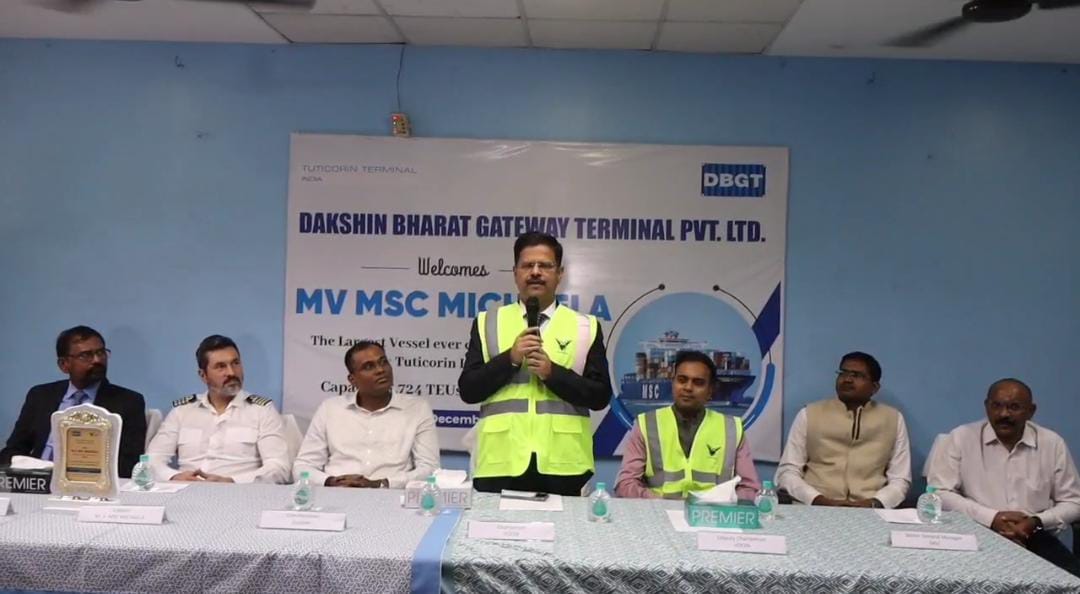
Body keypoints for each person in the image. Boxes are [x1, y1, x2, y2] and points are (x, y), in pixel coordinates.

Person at [458, 232, 612, 496]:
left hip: (564, 465)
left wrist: (553, 374)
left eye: (545, 265)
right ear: (515, 272)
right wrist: (510, 359)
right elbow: (468, 390)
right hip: (500, 463)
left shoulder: (585, 326)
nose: (536, 272)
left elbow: (600, 396)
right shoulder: (487, 322)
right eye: (528, 265)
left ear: (560, 273)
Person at [928, 378, 1080, 576]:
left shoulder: (1052, 443)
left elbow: (1073, 502)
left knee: (1072, 580)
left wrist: (1036, 521)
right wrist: (992, 518)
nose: (1003, 414)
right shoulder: (961, 437)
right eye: (996, 406)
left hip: (1034, 534)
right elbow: (939, 492)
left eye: (1014, 407)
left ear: (1031, 411)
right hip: (976, 532)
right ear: (986, 406)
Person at [0, 325, 146, 478]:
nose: (97, 360)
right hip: (37, 481)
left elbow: (129, 463)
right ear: (64, 364)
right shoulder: (40, 396)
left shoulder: (128, 402)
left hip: (90, 483)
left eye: (101, 353)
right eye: (86, 355)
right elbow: (15, 449)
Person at [615, 350, 760, 500]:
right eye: (682, 380)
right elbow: (625, 485)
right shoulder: (646, 425)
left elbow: (751, 489)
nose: (688, 387)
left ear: (710, 390)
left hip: (714, 513)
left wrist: (718, 502)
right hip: (659, 511)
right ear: (673, 383)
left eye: (698, 382)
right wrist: (659, 502)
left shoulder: (732, 429)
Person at [293, 341, 439, 488]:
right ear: (352, 380)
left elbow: (430, 469)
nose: (380, 370)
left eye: (383, 362)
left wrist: (381, 483)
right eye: (369, 367)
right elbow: (303, 466)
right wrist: (332, 482)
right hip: (335, 493)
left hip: (391, 495)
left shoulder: (417, 409)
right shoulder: (330, 409)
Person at [145, 335, 290, 483]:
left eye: (235, 363)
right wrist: (174, 476)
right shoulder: (182, 411)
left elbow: (279, 467)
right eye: (221, 366)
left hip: (238, 492)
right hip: (187, 489)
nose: (231, 372)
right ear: (203, 375)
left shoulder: (262, 410)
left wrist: (232, 481)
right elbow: (150, 461)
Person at [776, 352, 910, 508]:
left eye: (856, 375)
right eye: (843, 373)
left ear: (875, 387)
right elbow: (788, 471)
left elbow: (900, 479)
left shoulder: (893, 419)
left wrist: (874, 503)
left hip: (872, 510)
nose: (847, 379)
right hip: (813, 507)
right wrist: (818, 500)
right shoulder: (809, 414)